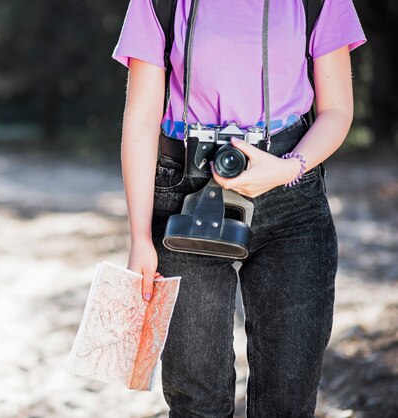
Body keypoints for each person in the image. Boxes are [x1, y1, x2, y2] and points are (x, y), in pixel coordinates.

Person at [112, 0, 366, 416]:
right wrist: (140, 237)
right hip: (185, 190)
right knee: (197, 402)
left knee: (287, 401)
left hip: (290, 192)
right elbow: (140, 118)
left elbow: (337, 110)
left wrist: (287, 169)